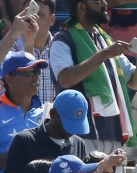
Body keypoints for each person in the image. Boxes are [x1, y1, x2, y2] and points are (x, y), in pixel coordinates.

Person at [51, 0, 137, 152]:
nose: (104, 3)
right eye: (98, 1)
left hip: (112, 133)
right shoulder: (62, 39)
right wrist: (105, 54)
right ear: (82, 7)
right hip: (80, 136)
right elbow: (65, 79)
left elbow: (133, 81)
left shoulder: (105, 41)